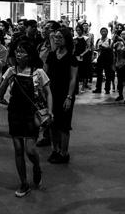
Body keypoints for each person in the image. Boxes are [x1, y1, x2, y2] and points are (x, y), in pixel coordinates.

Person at [0, 40, 52, 197]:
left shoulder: (38, 72)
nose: (18, 54)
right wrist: (6, 79)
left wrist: (50, 111)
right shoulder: (11, 70)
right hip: (14, 113)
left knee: (30, 150)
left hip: (31, 114)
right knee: (18, 150)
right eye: (17, 51)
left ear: (29, 55)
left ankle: (37, 167)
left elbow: (48, 93)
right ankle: (23, 183)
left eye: (22, 52)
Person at [45, 27, 78, 164]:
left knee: (64, 125)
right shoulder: (51, 55)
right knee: (52, 123)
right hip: (51, 94)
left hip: (65, 94)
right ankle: (55, 150)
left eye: (60, 37)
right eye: (55, 37)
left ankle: (64, 153)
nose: (57, 40)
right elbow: (45, 75)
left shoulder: (71, 58)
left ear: (66, 39)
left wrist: (69, 97)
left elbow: (73, 79)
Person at [93, 27, 114, 94]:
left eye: (105, 31)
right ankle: (98, 88)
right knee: (99, 74)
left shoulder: (110, 41)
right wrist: (98, 49)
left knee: (108, 74)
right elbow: (96, 49)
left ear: (107, 32)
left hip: (108, 59)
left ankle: (107, 89)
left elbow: (112, 50)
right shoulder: (98, 40)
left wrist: (105, 48)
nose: (103, 32)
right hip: (100, 58)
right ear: (100, 32)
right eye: (102, 31)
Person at [113, 30, 125, 104]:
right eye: (121, 34)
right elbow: (112, 50)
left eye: (124, 34)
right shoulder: (118, 43)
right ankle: (120, 95)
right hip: (119, 64)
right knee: (119, 81)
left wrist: (122, 40)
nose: (122, 35)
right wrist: (114, 40)